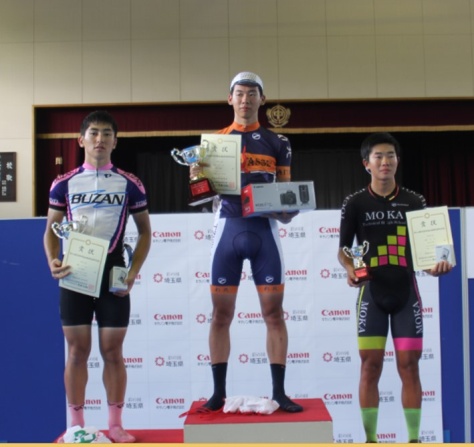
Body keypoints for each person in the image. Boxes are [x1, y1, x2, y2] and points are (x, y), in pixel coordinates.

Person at [190, 71, 302, 413]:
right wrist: (196, 179)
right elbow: (200, 195)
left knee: (274, 314)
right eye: (239, 93)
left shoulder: (278, 142)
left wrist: (288, 209)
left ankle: (279, 392)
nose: (245, 99)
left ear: (262, 100)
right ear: (230, 99)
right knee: (220, 315)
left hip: (264, 231)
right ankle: (218, 394)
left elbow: (286, 193)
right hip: (228, 229)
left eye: (252, 93)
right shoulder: (213, 142)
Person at [337, 132, 453, 443]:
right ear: (366, 163)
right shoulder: (355, 203)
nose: (385, 161)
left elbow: (426, 252)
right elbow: (344, 250)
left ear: (398, 161)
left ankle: (414, 439)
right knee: (369, 367)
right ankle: (370, 440)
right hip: (371, 294)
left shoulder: (415, 201)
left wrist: (436, 266)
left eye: (390, 155)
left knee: (409, 366)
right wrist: (350, 268)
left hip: (406, 293)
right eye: (378, 156)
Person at [43, 110, 151, 443]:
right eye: (93, 133)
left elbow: (145, 233)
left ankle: (115, 424)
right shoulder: (63, 182)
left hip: (113, 270)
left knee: (112, 350)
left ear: (115, 142)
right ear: (81, 140)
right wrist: (52, 260)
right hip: (76, 270)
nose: (99, 139)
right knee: (77, 350)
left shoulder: (130, 183)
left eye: (106, 134)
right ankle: (75, 424)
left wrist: (132, 272)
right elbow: (50, 230)